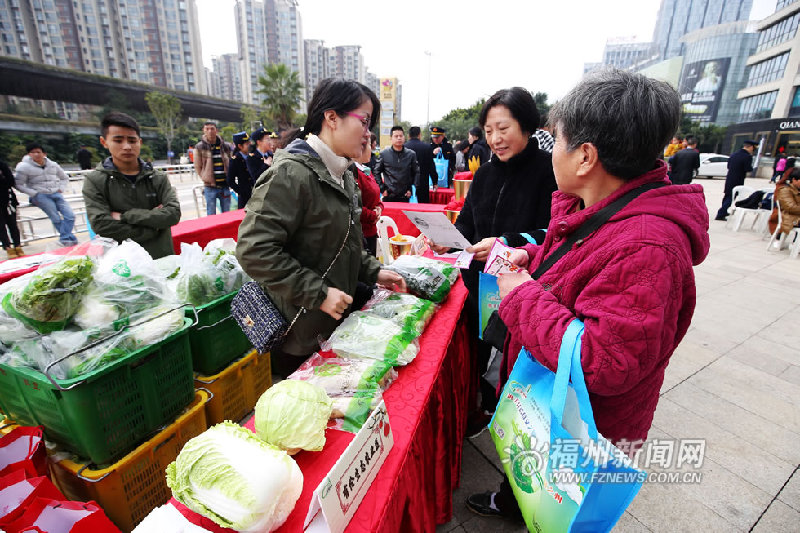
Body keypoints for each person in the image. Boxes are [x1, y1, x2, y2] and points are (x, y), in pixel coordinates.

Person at [466, 68, 710, 520]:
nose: (549, 150)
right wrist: (531, 256)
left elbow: (607, 361)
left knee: (557, 512)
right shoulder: (598, 208)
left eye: (554, 140)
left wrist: (520, 295)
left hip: (584, 431)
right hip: (553, 407)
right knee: (531, 486)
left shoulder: (647, 246)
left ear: (585, 157)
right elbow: (582, 266)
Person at [236, 78, 406, 377]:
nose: (368, 134)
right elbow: (254, 250)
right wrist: (318, 293)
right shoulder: (291, 174)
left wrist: (372, 270)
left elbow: (348, 242)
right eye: (364, 122)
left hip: (333, 323)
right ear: (331, 117)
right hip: (297, 332)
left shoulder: (343, 172)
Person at [429, 87, 558, 441]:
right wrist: (450, 238)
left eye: (503, 129)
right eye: (488, 131)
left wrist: (507, 243)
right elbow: (468, 224)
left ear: (527, 126)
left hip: (522, 289)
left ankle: (516, 428)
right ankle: (482, 407)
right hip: (478, 287)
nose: (495, 139)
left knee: (516, 361)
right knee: (478, 349)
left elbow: (552, 231)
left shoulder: (549, 172)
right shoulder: (484, 175)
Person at [83, 112, 181, 259]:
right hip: (122, 265)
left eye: (132, 140)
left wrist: (124, 216)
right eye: (118, 140)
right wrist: (151, 229)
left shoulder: (158, 178)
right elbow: (101, 225)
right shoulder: (95, 180)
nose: (127, 146)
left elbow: (172, 215)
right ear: (104, 142)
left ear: (139, 142)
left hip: (162, 258)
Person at [14, 142, 77, 246]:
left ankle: (66, 238)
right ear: (29, 154)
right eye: (32, 152)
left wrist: (61, 188)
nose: (36, 154)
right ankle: (68, 240)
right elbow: (18, 184)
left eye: (38, 152)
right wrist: (34, 193)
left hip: (56, 193)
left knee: (70, 216)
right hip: (40, 195)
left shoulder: (53, 165)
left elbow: (64, 177)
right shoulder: (24, 167)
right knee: (55, 218)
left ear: (44, 154)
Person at [193, 121, 232, 215]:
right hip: (210, 187)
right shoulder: (199, 147)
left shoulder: (225, 146)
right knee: (211, 214)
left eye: (212, 129)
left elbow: (231, 162)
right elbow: (198, 166)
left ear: (216, 130)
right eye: (207, 129)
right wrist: (205, 177)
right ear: (203, 130)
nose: (210, 131)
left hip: (225, 186)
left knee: (227, 214)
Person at [353, 140, 383, 256]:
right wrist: (373, 215)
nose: (372, 149)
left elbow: (376, 197)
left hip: (372, 231)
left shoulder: (365, 170)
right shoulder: (354, 172)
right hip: (362, 233)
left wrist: (379, 208)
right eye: (371, 145)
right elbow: (355, 206)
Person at [374, 126, 419, 202]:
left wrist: (412, 189)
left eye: (401, 136)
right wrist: (382, 189)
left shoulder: (411, 154)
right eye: (396, 136)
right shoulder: (384, 154)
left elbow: (416, 172)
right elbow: (376, 172)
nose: (399, 138)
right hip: (388, 194)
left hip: (405, 195)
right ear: (391, 138)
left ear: (404, 138)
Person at [715, 140, 756, 221]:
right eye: (753, 148)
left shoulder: (734, 154)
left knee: (727, 195)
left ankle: (723, 211)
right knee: (731, 197)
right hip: (738, 179)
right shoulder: (747, 156)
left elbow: (728, 166)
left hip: (730, 178)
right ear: (750, 147)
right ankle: (721, 213)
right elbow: (748, 168)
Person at [405, 126, 437, 203]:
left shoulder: (404, 147)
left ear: (409, 135)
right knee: (423, 206)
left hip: (407, 183)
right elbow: (431, 166)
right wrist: (435, 182)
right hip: (423, 182)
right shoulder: (427, 147)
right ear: (419, 135)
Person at [0, 159, 22, 258]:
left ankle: (18, 245)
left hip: (8, 199)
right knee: (1, 226)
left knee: (13, 224)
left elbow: (10, 181)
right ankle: (8, 247)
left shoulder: (2, 164)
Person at [227, 131, 254, 209]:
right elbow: (230, 180)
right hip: (245, 196)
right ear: (240, 146)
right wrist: (241, 192)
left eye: (249, 142)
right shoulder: (235, 160)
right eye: (247, 144)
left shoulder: (252, 156)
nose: (250, 145)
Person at [775, 168, 800, 235]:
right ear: (794, 180)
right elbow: (790, 207)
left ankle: (796, 243)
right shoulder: (785, 190)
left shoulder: (798, 189)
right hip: (792, 219)